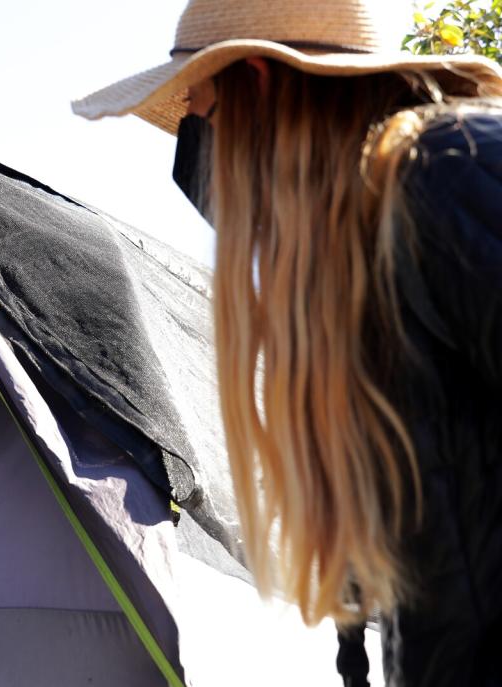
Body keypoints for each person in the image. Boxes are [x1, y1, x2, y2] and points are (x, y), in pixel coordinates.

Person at [73, 1, 502, 685]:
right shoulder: (367, 259)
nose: (195, 155)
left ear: (260, 84)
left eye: (201, 112)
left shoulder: (446, 172)